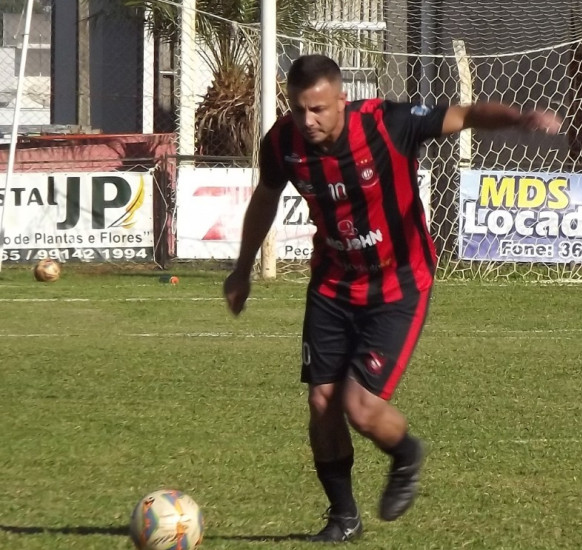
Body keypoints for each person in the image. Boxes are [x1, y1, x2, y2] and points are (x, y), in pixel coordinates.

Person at [223, 54, 561, 543]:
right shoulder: (281, 142)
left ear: (341, 99)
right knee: (321, 402)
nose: (308, 120)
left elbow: (463, 114)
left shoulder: (387, 123)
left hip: (399, 284)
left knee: (359, 408)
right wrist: (241, 269)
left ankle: (406, 454)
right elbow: (266, 196)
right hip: (334, 283)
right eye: (299, 110)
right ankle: (343, 518)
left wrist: (520, 118)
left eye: (318, 109)